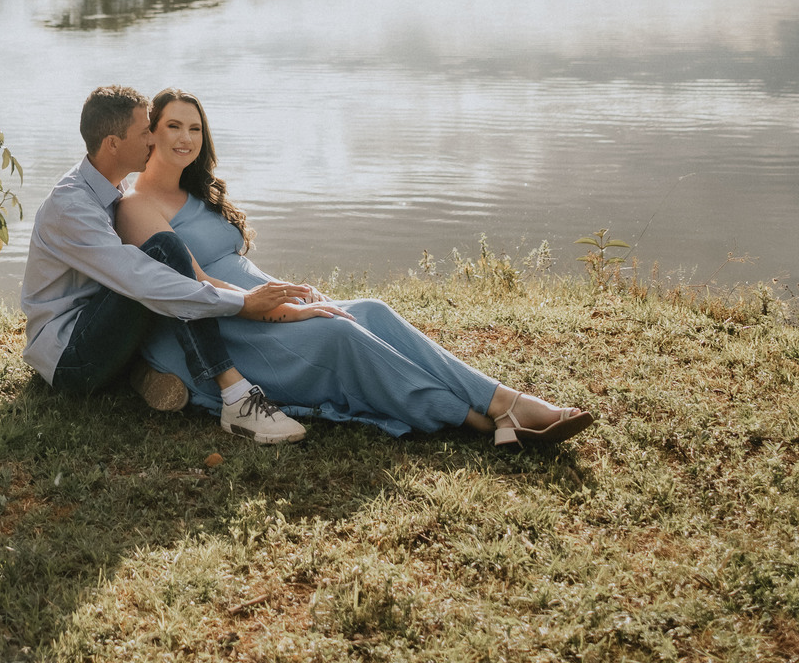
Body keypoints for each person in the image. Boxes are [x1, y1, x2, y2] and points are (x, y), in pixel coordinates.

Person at [114, 89, 593, 450]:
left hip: (265, 305)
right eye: (174, 126)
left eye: (195, 128)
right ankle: (479, 419)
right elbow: (195, 285)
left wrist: (292, 293)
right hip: (227, 331)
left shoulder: (197, 192)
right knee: (340, 333)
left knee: (372, 309)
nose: (186, 138)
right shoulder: (137, 205)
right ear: (151, 133)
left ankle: (503, 401)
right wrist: (284, 310)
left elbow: (239, 265)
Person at [22, 85, 351, 444]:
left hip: (103, 321)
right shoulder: (72, 206)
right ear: (113, 144)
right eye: (145, 132)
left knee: (163, 255)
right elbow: (141, 279)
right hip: (72, 356)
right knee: (164, 249)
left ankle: (142, 371)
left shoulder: (108, 183)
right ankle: (236, 398)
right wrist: (242, 302)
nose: (153, 139)